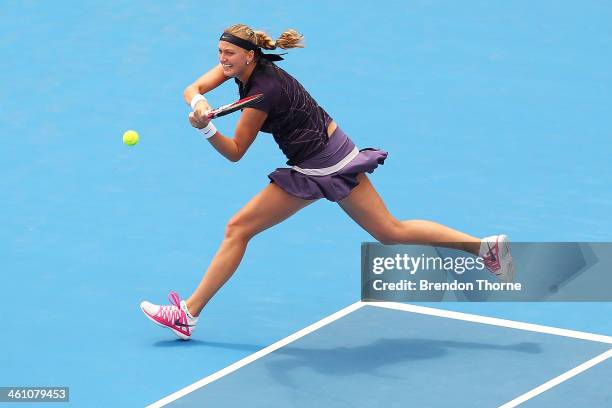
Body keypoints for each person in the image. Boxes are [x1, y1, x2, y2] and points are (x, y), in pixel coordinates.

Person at [140, 24, 515, 340]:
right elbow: (194, 88)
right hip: (337, 147)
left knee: (237, 228)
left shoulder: (261, 94)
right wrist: (197, 103)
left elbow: (236, 150)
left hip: (319, 162)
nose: (222, 59)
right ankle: (485, 249)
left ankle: (187, 313)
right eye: (220, 52)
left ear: (249, 56)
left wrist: (206, 130)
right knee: (390, 230)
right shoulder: (244, 66)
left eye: (229, 54)